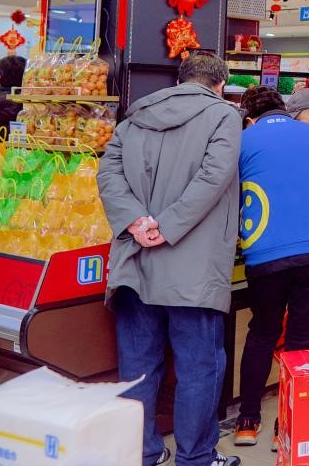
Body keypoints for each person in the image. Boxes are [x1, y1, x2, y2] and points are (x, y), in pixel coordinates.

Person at [96, 54, 243, 466]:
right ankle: (196, 457)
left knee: (137, 367)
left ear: (179, 81)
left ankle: (143, 452)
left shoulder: (134, 117)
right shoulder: (224, 116)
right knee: (200, 368)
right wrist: (168, 225)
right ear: (220, 85)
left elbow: (107, 174)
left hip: (134, 261)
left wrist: (136, 222)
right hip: (193, 269)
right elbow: (214, 177)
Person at [234, 86, 309, 448]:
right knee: (301, 341)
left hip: (265, 252)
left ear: (251, 118)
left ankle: (247, 421)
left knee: (262, 332)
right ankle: (289, 426)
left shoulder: (243, 140)